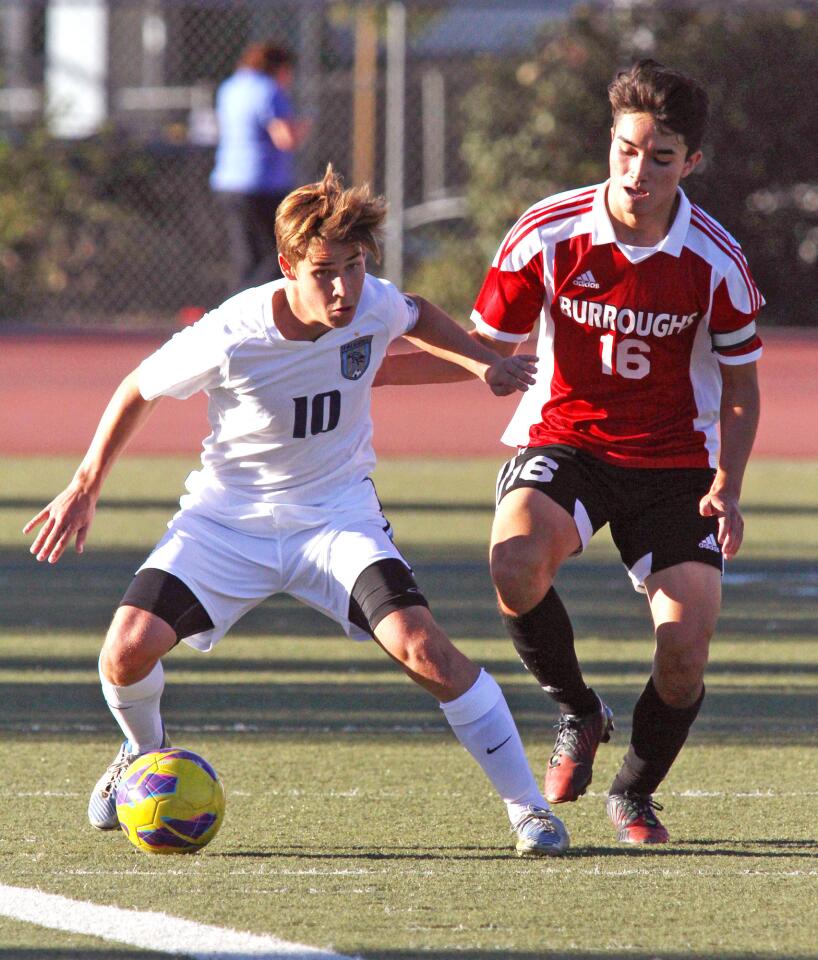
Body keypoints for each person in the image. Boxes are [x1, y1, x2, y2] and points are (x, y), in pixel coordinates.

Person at [24, 166, 570, 858]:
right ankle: (143, 751)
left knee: (424, 648)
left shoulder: (369, 300)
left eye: (354, 266)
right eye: (323, 272)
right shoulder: (232, 332)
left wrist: (481, 362)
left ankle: (529, 812)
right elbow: (138, 387)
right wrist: (85, 483)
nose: (344, 288)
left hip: (337, 517)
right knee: (125, 652)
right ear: (287, 267)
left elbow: (418, 312)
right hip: (228, 521)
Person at [376, 60, 763, 844]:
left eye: (661, 157)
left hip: (676, 464)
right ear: (609, 143)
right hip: (567, 441)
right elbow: (484, 344)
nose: (639, 171)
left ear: (690, 162)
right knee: (514, 560)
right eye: (626, 150)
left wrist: (728, 481)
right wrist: (362, 373)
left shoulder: (715, 260)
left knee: (686, 647)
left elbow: (743, 386)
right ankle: (579, 710)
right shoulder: (549, 231)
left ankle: (634, 793)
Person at [210, 41, 310, 295]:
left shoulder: (230, 87)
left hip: (228, 181)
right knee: (275, 255)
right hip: (262, 184)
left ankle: (236, 310)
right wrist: (303, 128)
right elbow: (285, 138)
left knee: (244, 256)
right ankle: (251, 309)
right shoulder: (268, 90)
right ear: (279, 68)